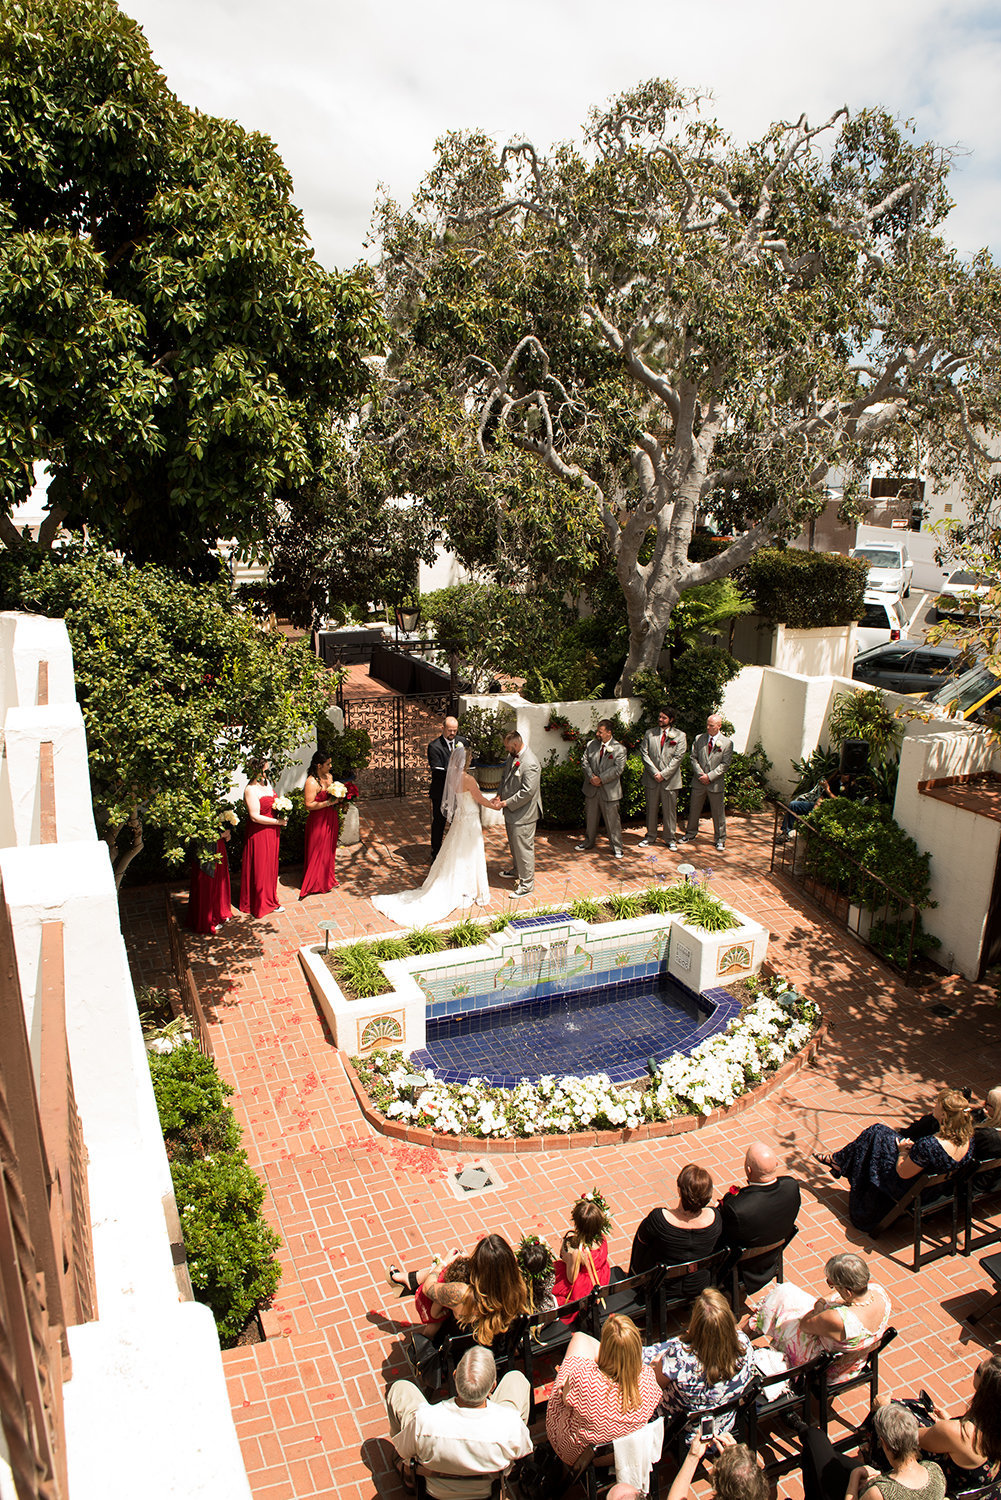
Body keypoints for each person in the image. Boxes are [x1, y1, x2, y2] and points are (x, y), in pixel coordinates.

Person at [814, 1088, 974, 1232]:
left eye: (937, 1104)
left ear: (944, 1115)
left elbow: (903, 1172)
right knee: (879, 1133)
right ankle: (839, 1161)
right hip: (937, 1189)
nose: (934, 1106)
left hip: (915, 1190)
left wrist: (903, 1151)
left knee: (876, 1134)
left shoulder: (930, 1146)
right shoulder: (968, 1139)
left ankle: (839, 1162)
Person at [387, 1344, 533, 1499]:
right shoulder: (509, 1425)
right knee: (516, 1379)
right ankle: (511, 1470)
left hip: (436, 1493)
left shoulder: (424, 1421)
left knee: (400, 1389)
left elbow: (404, 1450)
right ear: (492, 1387)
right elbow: (524, 1449)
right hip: (486, 1492)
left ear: (455, 1376)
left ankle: (409, 1477)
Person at [372, 749, 495, 927]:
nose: (470, 760)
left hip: (460, 820)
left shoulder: (451, 777)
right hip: (469, 820)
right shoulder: (468, 779)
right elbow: (480, 798)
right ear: (464, 761)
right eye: (469, 758)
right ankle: (468, 888)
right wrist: (496, 806)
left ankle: (464, 885)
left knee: (457, 852)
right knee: (470, 852)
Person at [742, 1252, 891, 1384]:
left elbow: (805, 1324)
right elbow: (836, 1299)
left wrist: (820, 1304)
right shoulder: (879, 1293)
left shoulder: (838, 1319)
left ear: (847, 1291)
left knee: (781, 1296)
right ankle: (752, 1326)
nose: (831, 1288)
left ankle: (743, 1333)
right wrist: (827, 1301)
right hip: (853, 1363)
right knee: (786, 1294)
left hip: (824, 1368)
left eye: (833, 1285)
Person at [546, 1314, 662, 1466]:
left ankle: (612, 1356)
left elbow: (564, 1399)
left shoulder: (584, 1378)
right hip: (618, 1453)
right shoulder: (648, 1379)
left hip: (577, 1455)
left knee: (580, 1339)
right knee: (582, 1341)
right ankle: (617, 1356)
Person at [644, 1288, 756, 1439]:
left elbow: (651, 1383)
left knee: (641, 1361)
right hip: (723, 1424)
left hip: (686, 1430)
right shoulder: (745, 1345)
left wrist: (656, 1363)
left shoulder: (680, 1358)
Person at [387, 1234, 530, 1347]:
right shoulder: (518, 1286)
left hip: (464, 1347)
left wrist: (444, 1263)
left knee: (442, 1275)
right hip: (498, 1345)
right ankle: (410, 1280)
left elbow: (428, 1288)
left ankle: (410, 1281)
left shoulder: (463, 1294)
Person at [796, 1402, 947, 1500]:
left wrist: (855, 1477)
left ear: (884, 1443)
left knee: (815, 1438)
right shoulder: (934, 1470)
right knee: (827, 1455)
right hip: (883, 1480)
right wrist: (881, 1477)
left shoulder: (880, 1492)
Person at [908, 1353, 1001, 1494]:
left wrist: (883, 1408)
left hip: (941, 1485)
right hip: (976, 1485)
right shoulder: (992, 1421)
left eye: (978, 1370)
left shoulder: (959, 1433)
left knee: (893, 1416)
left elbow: (909, 1436)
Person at [629, 1164, 722, 1296]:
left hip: (662, 1288)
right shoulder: (715, 1218)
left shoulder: (659, 1219)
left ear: (679, 1189)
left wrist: (636, 1276)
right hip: (699, 1285)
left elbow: (640, 1247)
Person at [718, 1142, 801, 1291]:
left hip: (746, 1269)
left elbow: (724, 1237)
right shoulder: (791, 1186)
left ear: (748, 1170)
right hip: (771, 1258)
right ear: (776, 1163)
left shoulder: (738, 1208)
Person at [491, 732, 542, 898]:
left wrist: (505, 803)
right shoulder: (511, 756)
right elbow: (505, 777)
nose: (506, 749)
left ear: (515, 745)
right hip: (512, 812)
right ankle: (517, 870)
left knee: (524, 849)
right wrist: (499, 795)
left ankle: (527, 885)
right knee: (514, 844)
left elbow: (527, 792)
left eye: (507, 746)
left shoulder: (531, 763)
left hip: (524, 814)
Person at [239, 763, 286, 918]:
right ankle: (259, 902)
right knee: (260, 866)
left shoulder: (267, 785)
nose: (268, 772)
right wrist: (277, 822)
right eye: (266, 769)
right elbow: (254, 816)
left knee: (270, 866)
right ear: (257, 770)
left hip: (272, 832)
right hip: (259, 833)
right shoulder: (250, 790)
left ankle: (270, 898)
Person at [681, 714, 733, 851]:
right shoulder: (699, 739)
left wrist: (709, 777)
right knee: (694, 809)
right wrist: (700, 774)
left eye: (711, 725)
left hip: (715, 783)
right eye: (707, 724)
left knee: (718, 813)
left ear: (719, 726)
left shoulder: (727, 743)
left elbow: (725, 764)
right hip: (699, 782)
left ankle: (720, 839)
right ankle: (690, 833)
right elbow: (693, 758)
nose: (708, 727)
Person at [552, 1196, 612, 1313]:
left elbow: (571, 1279)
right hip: (601, 1276)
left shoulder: (579, 1252)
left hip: (585, 1287)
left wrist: (568, 1258)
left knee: (557, 1272)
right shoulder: (601, 1238)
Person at [576, 720, 627, 859]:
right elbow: (585, 761)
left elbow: (618, 769)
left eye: (600, 731)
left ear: (609, 732)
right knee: (590, 819)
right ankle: (588, 842)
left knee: (613, 822)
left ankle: (617, 847)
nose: (597, 734)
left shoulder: (620, 749)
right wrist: (591, 777)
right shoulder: (591, 744)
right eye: (597, 731)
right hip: (592, 788)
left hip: (609, 791)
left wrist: (601, 778)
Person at [639, 706, 687, 850]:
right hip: (652, 779)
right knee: (651, 809)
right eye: (659, 717)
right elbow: (644, 753)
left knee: (670, 811)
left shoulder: (680, 735)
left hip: (670, 781)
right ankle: (650, 836)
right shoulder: (650, 733)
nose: (660, 719)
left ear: (671, 720)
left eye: (664, 717)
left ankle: (670, 838)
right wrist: (655, 773)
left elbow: (678, 757)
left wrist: (664, 774)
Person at [299, 750, 340, 897]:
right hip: (318, 819)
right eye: (327, 764)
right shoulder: (311, 781)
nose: (330, 766)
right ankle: (315, 882)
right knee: (317, 849)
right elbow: (308, 805)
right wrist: (328, 803)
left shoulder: (329, 776)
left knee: (328, 847)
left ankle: (326, 878)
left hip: (331, 816)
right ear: (319, 765)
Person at [428, 716, 465, 860]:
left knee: (457, 821)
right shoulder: (434, 746)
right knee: (439, 822)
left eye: (455, 730)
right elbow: (437, 770)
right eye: (450, 730)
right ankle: (435, 853)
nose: (453, 733)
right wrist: (454, 771)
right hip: (440, 790)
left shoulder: (462, 742)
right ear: (442, 728)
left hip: (458, 791)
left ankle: (455, 852)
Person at [187, 825, 233, 935]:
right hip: (205, 850)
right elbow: (198, 835)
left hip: (218, 845)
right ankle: (206, 920)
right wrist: (221, 835)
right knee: (206, 883)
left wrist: (228, 830)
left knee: (218, 882)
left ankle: (218, 912)